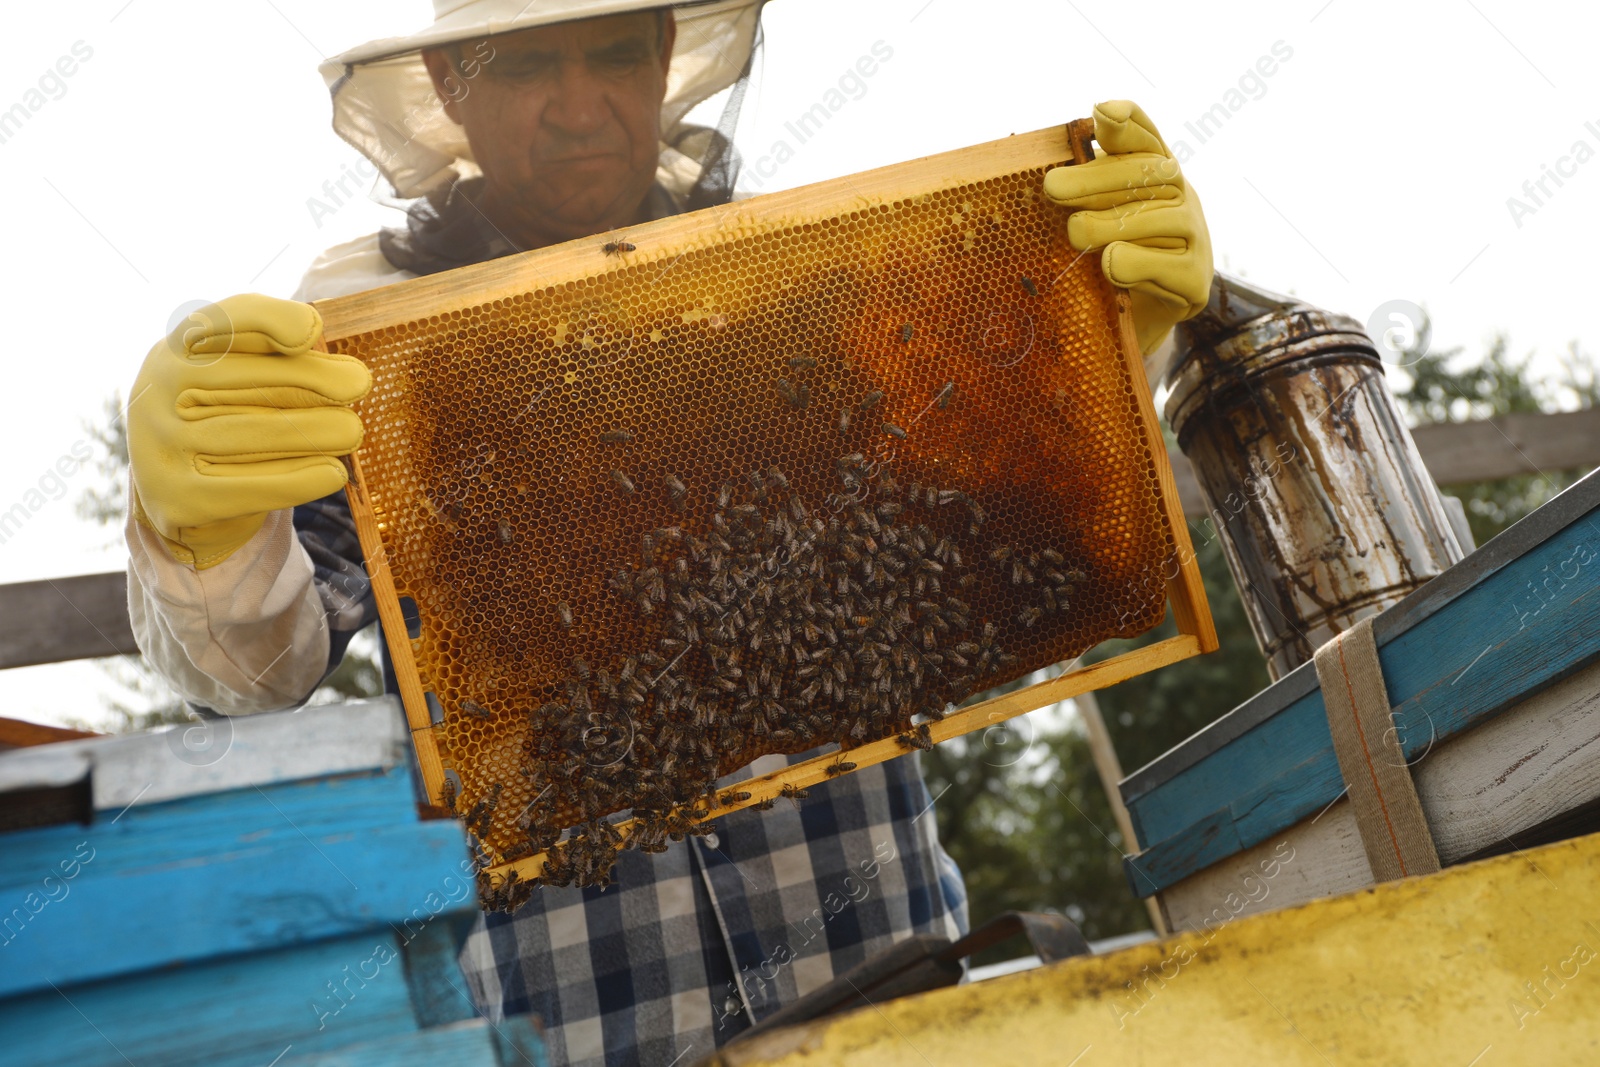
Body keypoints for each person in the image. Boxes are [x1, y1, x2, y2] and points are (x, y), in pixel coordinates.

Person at [123, 3, 1212, 1064]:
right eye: (524, 66)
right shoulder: (363, 353)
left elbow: (998, 557)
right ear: (452, 85)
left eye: (611, 54)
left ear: (663, 56)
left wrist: (1100, 353)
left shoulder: (820, 279)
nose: (578, 104)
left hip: (886, 961)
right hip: (576, 1007)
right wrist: (208, 540)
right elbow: (256, 674)